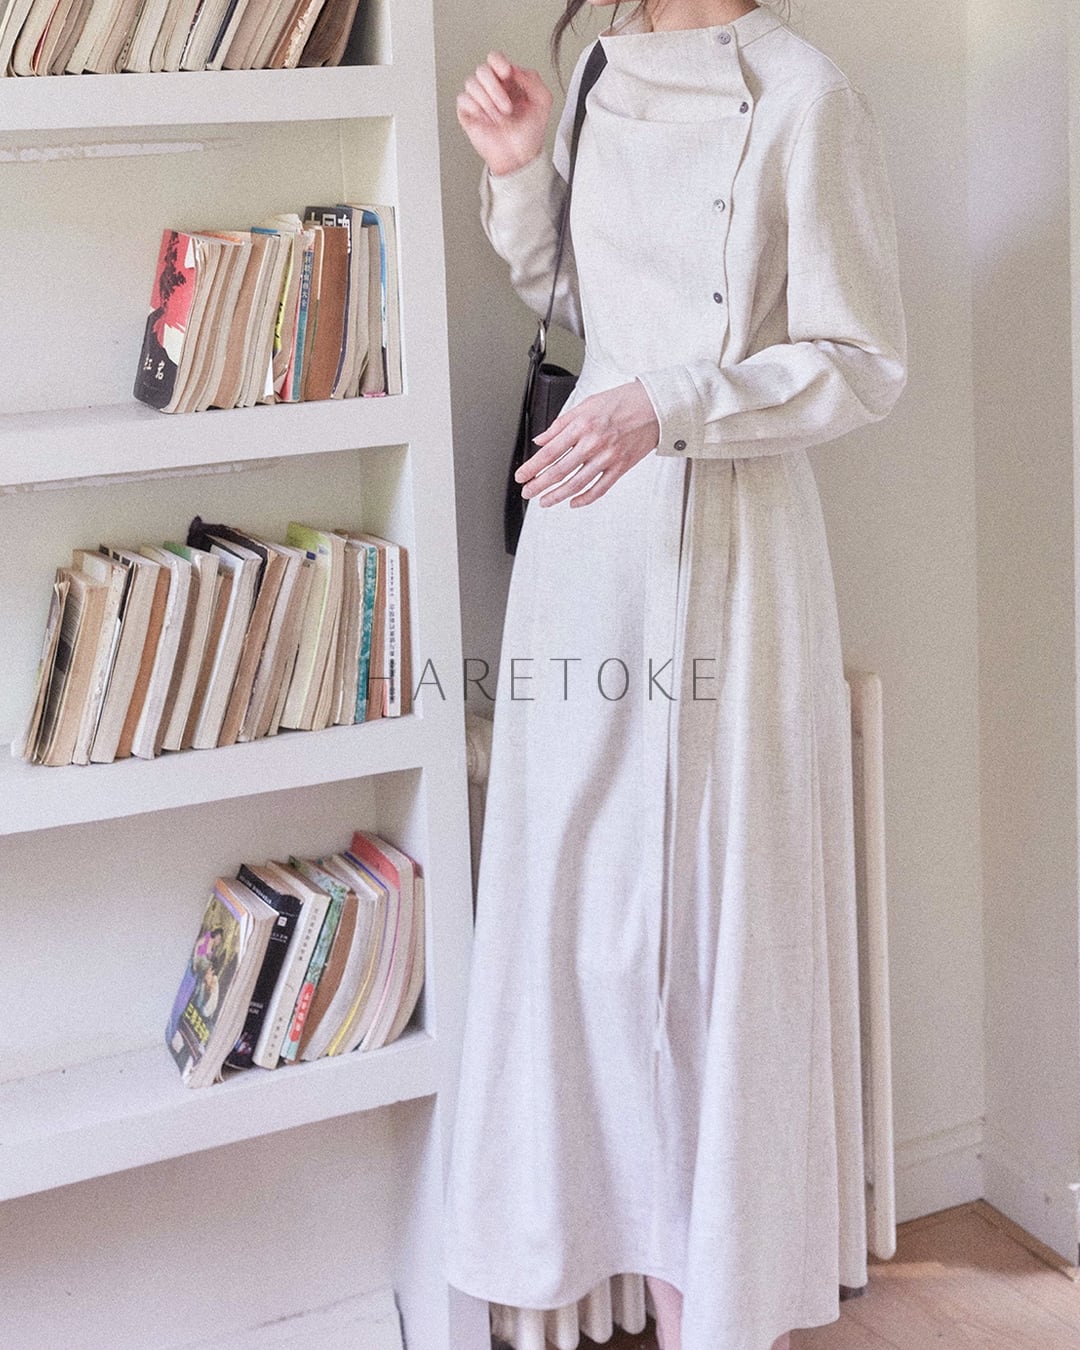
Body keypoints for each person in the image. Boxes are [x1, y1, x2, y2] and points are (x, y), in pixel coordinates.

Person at [444, 2, 907, 1348]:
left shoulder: (804, 92)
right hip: (591, 552)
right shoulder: (597, 64)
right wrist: (519, 171)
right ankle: (644, 1271)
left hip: (738, 552)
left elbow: (862, 361)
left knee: (714, 938)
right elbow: (576, 305)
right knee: (594, 945)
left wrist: (672, 404)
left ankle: (723, 1311)